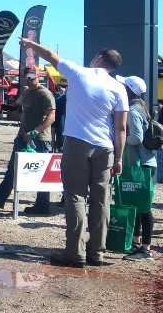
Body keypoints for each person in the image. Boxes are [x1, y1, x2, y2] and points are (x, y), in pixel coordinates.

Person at [19, 39, 128, 268]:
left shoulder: (79, 73)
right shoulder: (118, 88)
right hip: (106, 148)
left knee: (75, 196)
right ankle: (96, 252)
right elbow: (121, 127)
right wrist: (118, 158)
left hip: (78, 143)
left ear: (98, 57)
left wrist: (30, 43)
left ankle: (74, 252)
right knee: (101, 200)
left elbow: (49, 54)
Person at [0, 66, 55, 214]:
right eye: (26, 77)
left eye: (31, 77)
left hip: (39, 139)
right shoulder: (27, 92)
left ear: (38, 76)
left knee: (41, 172)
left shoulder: (45, 94)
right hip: (22, 137)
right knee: (12, 169)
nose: (28, 79)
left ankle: (42, 205)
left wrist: (35, 132)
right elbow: (18, 106)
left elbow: (51, 117)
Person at [117, 75, 156, 262]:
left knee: (144, 208)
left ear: (129, 90)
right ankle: (137, 242)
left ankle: (146, 248)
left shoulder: (132, 111)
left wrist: (120, 139)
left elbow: (136, 138)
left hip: (142, 164)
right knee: (137, 205)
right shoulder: (140, 107)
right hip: (145, 162)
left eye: (123, 85)